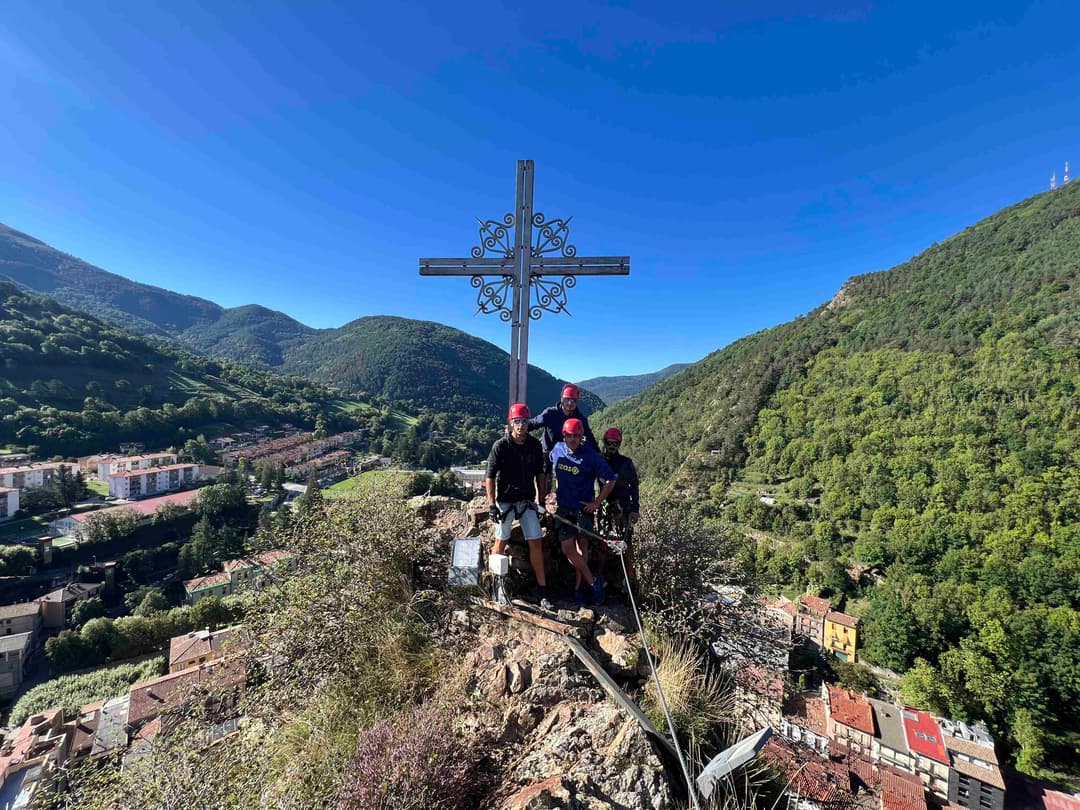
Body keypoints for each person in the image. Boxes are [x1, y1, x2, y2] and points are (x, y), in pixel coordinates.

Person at [485, 403, 551, 609]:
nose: (521, 425)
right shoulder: (501, 446)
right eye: (517, 421)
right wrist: (491, 505)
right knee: (500, 542)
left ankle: (542, 590)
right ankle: (497, 586)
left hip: (526, 501)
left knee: (536, 543)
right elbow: (490, 476)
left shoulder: (534, 445)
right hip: (505, 501)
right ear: (511, 423)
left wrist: (541, 501)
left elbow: (540, 474)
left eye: (524, 421)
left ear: (528, 423)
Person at [549, 417, 616, 606]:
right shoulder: (557, 450)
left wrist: (597, 502)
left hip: (583, 508)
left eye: (576, 436)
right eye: (569, 436)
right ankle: (593, 582)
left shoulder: (591, 456)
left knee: (582, 548)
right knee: (567, 548)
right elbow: (549, 470)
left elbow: (610, 479)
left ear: (581, 437)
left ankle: (579, 590)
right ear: (564, 436)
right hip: (564, 507)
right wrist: (550, 493)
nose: (572, 439)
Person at [529, 383, 597, 495]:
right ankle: (541, 502)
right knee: (544, 479)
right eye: (567, 400)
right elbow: (533, 423)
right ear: (561, 399)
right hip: (548, 451)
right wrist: (517, 429)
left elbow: (589, 437)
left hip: (568, 454)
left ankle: (562, 501)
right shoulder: (550, 414)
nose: (570, 403)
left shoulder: (579, 419)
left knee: (565, 481)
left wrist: (598, 454)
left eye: (573, 400)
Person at [598, 427, 640, 588]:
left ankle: (630, 577)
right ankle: (601, 577)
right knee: (602, 541)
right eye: (609, 443)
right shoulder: (599, 460)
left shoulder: (626, 463)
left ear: (619, 444)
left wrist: (635, 509)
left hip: (624, 507)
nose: (612, 446)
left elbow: (634, 486)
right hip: (605, 506)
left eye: (615, 443)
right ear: (605, 442)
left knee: (626, 542)